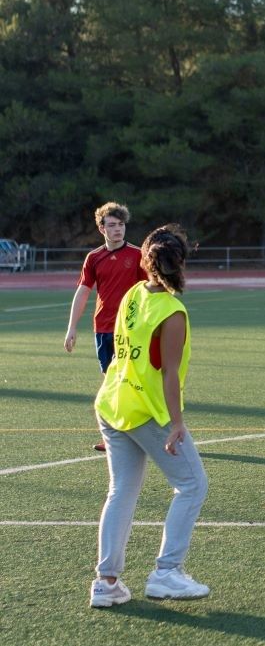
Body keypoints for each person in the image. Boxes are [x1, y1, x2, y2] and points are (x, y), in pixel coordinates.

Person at [90, 225, 209, 607]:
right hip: (145, 410)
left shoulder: (132, 295)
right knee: (193, 485)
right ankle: (167, 572)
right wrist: (177, 423)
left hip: (113, 402)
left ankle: (107, 583)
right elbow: (168, 373)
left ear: (145, 261)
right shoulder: (172, 311)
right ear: (181, 264)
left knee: (121, 490)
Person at [65, 202, 147, 452]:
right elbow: (82, 292)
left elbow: (148, 291)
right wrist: (72, 327)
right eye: (111, 225)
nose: (117, 230)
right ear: (102, 228)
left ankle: (143, 433)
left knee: (134, 381)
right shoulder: (94, 258)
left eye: (121, 225)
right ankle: (113, 435)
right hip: (103, 328)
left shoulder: (137, 255)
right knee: (110, 381)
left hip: (131, 329)